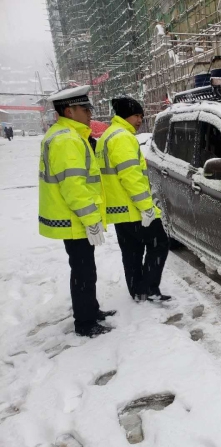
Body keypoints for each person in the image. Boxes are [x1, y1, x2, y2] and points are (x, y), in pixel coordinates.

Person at [39, 85, 115, 338]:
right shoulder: (67, 139)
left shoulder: (66, 134)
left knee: (84, 268)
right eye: (85, 109)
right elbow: (74, 186)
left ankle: (91, 310)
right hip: (74, 218)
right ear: (69, 111)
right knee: (83, 271)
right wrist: (91, 220)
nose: (90, 113)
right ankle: (85, 323)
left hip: (73, 216)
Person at [96, 96, 170, 302]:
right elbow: (131, 176)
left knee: (131, 251)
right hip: (134, 208)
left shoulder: (107, 136)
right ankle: (149, 288)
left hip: (119, 208)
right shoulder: (122, 137)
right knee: (159, 243)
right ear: (125, 115)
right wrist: (146, 207)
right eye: (136, 115)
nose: (139, 120)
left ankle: (137, 290)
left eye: (141, 116)